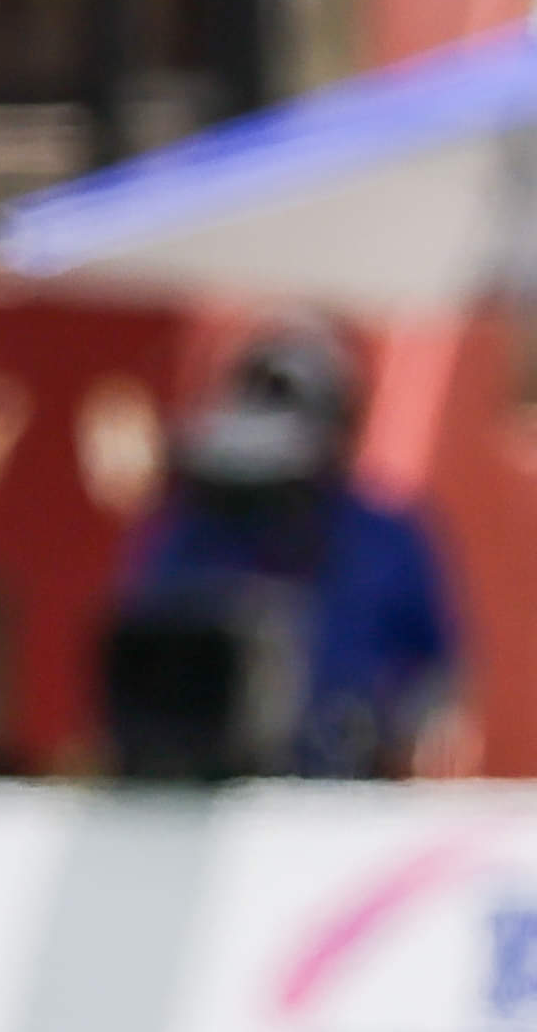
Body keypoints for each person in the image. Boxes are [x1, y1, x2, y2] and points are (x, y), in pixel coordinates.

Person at [104, 324, 463, 780]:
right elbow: (139, 637)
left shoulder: (387, 534)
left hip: (340, 782)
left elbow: (437, 668)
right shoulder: (191, 526)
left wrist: (397, 734)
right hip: (198, 780)